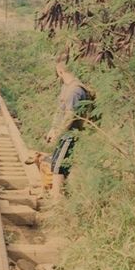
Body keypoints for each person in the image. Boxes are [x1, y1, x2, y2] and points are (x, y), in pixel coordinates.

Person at [45, 61, 91, 200]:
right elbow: (60, 110)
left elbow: (70, 115)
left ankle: (57, 198)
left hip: (69, 133)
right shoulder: (67, 87)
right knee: (56, 162)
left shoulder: (75, 90)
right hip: (62, 133)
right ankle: (59, 194)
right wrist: (52, 130)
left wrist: (58, 133)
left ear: (60, 71)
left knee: (59, 165)